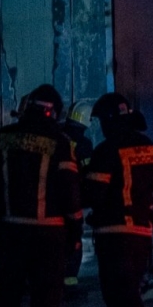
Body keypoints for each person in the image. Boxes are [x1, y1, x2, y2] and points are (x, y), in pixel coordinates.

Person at [0, 83, 81, 307]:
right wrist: (75, 230)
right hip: (49, 236)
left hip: (11, 231)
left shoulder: (3, 138)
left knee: (6, 296)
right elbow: (70, 192)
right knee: (45, 302)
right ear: (54, 113)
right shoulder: (60, 143)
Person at [85, 92, 153, 307]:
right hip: (142, 231)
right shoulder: (149, 146)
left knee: (122, 296)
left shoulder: (106, 150)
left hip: (115, 235)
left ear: (109, 120)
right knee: (127, 294)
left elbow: (93, 195)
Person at [62, 99, 96, 288]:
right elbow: (88, 173)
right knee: (73, 240)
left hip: (48, 201)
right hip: (73, 201)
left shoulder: (58, 135)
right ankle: (69, 282)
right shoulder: (83, 143)